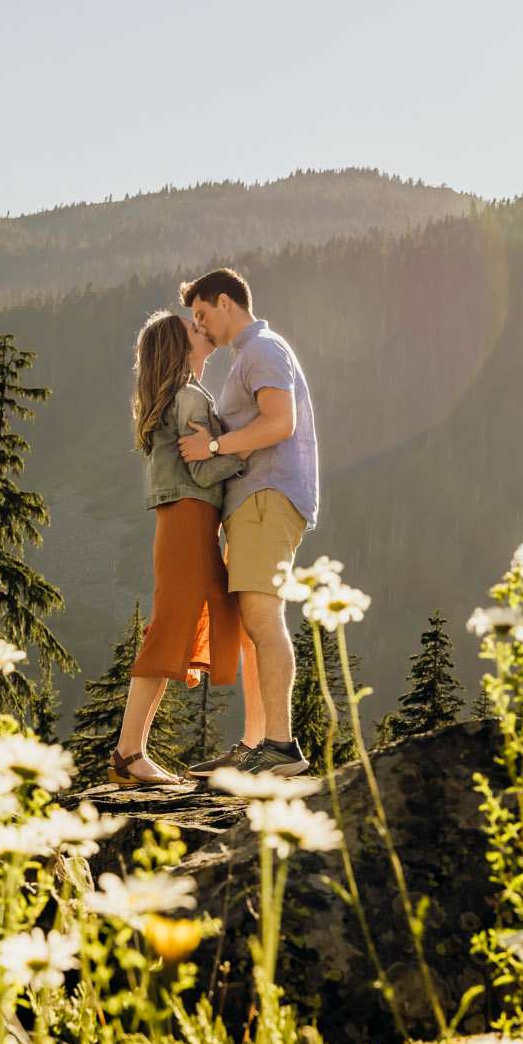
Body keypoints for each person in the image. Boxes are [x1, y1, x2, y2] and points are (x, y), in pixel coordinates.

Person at [177, 267, 319, 779]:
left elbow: (281, 422)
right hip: (255, 502)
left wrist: (212, 445)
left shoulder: (262, 349)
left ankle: (280, 747)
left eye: (201, 314)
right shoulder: (250, 355)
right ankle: (258, 742)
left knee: (262, 620)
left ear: (225, 302)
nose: (201, 325)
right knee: (252, 629)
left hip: (266, 495)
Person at [113, 310, 248, 784]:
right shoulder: (189, 397)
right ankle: (129, 754)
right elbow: (204, 470)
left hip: (182, 524)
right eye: (195, 329)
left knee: (188, 623)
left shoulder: (171, 398)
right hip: (191, 520)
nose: (204, 329)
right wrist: (248, 449)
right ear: (181, 348)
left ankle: (133, 753)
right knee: (172, 629)